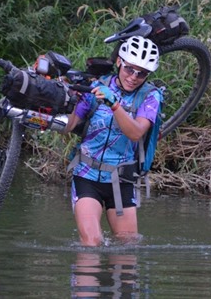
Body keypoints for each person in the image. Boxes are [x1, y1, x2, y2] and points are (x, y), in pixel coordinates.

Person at [64, 36, 162, 247]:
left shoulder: (150, 96)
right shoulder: (96, 87)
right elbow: (70, 125)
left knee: (127, 253)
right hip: (87, 175)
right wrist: (68, 100)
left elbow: (136, 133)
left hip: (122, 180)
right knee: (92, 243)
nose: (134, 77)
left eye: (142, 73)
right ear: (119, 62)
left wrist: (114, 104)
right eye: (129, 69)